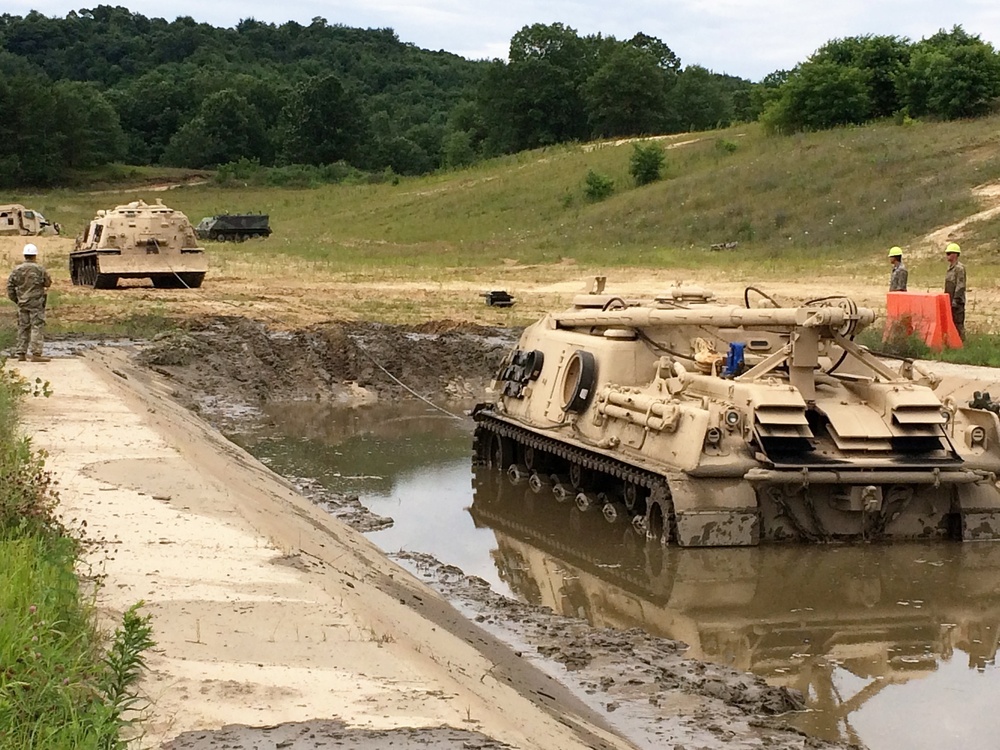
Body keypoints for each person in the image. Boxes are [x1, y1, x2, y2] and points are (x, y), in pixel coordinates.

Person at [6, 243, 52, 362]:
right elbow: (48, 283)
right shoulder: (40, 269)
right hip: (36, 303)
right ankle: (36, 353)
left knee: (23, 327)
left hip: (22, 303)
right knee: (36, 326)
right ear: (34, 255)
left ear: (25, 255)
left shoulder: (17, 270)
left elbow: (10, 286)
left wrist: (16, 299)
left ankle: (21, 353)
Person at [944, 242, 966, 341]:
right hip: (949, 299)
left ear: (955, 254)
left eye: (949, 253)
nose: (947, 256)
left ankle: (961, 343)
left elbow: (960, 286)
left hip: (957, 302)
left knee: (958, 324)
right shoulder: (949, 268)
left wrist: (955, 300)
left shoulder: (959, 268)